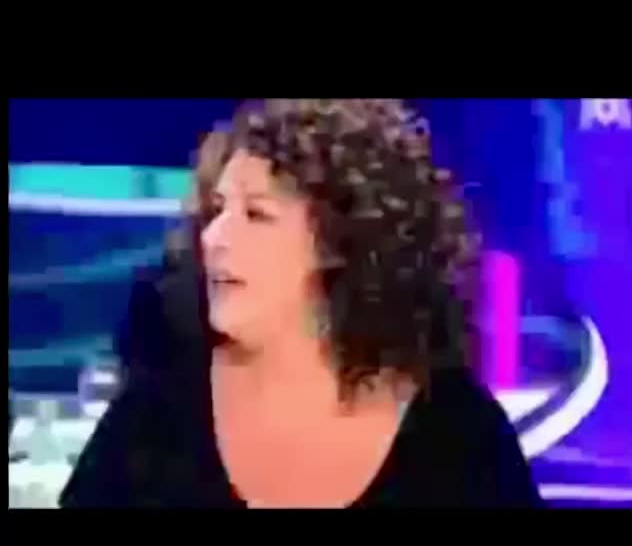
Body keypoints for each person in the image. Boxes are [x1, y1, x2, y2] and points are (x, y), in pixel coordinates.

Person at [60, 99, 543, 508]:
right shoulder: (159, 407)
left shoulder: (455, 432)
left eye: (256, 214)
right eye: (218, 209)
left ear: (339, 243)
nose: (214, 237)